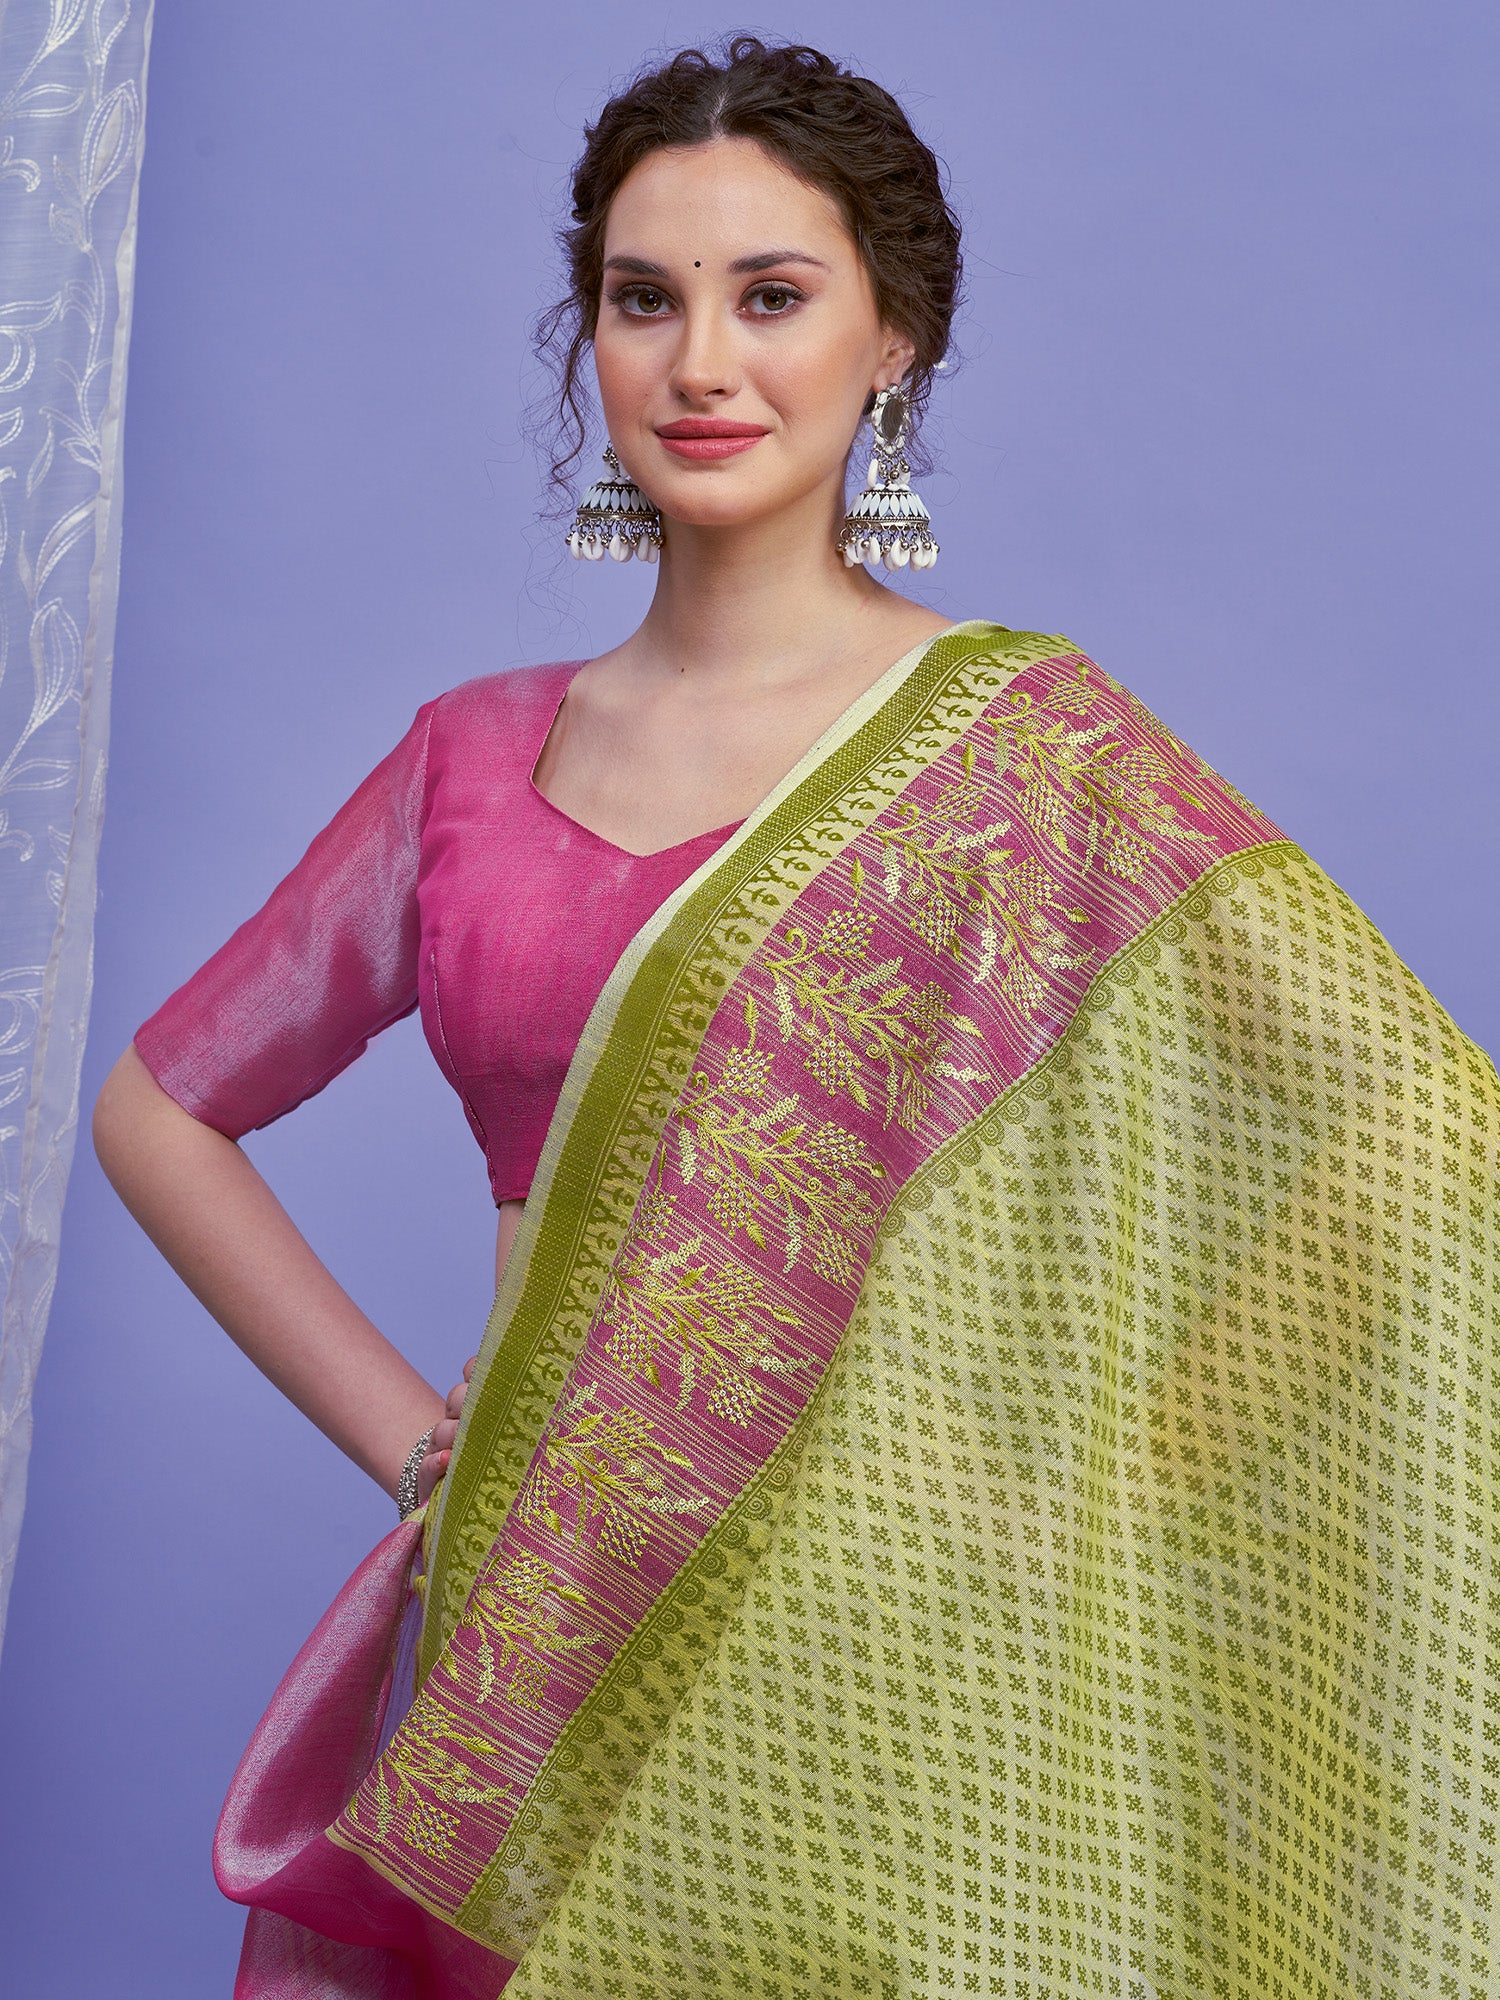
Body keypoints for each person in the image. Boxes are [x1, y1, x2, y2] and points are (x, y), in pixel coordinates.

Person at [93, 35, 1500, 2000]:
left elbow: (1422, 1130)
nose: (701, 362)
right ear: (589, 340)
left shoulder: (1027, 756)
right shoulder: (473, 760)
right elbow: (159, 1107)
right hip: (541, 1608)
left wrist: (1108, 1488)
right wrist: (421, 1448)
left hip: (884, 1653)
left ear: (891, 339)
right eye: (642, 299)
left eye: (771, 296)